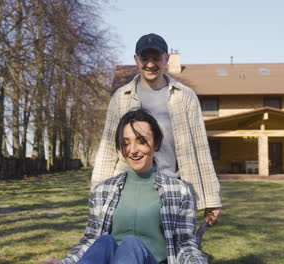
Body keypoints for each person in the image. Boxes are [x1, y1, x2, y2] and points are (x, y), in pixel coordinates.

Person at [42, 110, 207, 264]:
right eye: (126, 143)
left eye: (141, 141)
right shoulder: (102, 191)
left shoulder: (179, 191)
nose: (133, 150)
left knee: (131, 243)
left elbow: (184, 243)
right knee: (104, 241)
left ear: (155, 143)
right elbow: (89, 241)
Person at [91, 33, 221, 218]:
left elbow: (201, 148)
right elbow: (108, 148)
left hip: (173, 191)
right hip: (128, 190)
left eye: (156, 58)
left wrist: (212, 199)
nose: (150, 64)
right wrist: (98, 192)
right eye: (145, 58)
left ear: (166, 59)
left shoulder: (184, 97)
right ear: (136, 60)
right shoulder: (121, 97)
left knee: (172, 246)